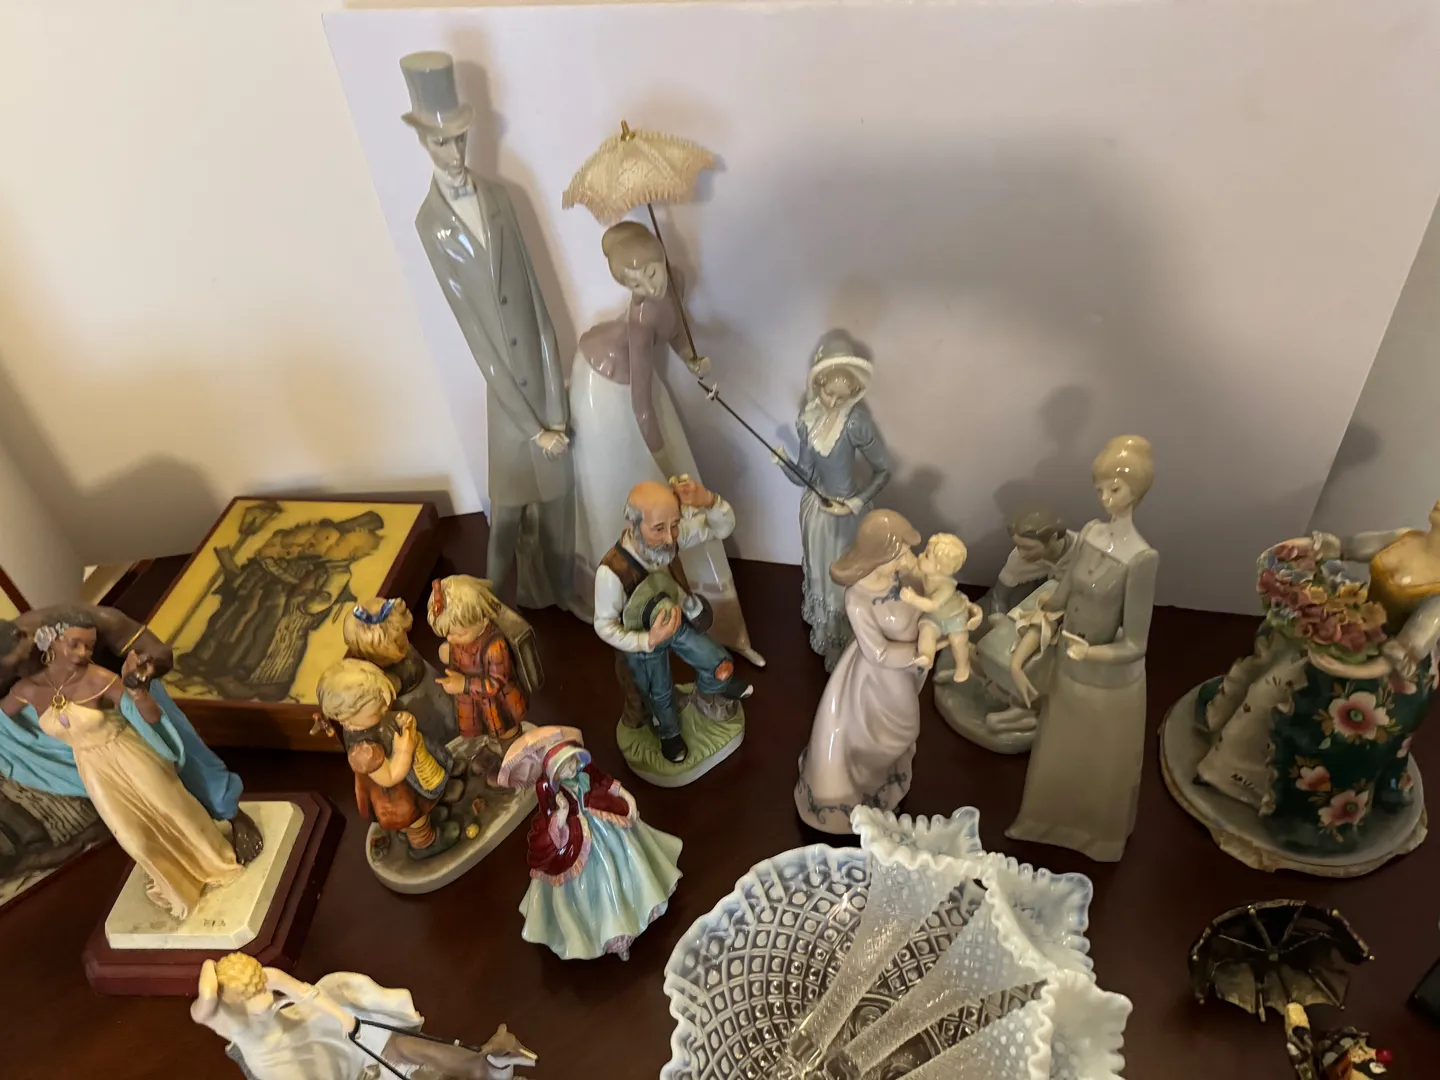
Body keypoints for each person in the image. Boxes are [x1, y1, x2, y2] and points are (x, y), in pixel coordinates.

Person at [404, 51, 573, 612]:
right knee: (507, 511)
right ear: (422, 142)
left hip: (542, 386)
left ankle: (555, 591)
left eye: (459, 139)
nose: (454, 153)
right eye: (440, 142)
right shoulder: (430, 225)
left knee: (557, 499)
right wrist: (531, 428)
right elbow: (476, 335)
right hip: (506, 398)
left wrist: (556, 405)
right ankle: (493, 604)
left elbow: (538, 303)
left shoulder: (500, 197)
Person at [570, 220, 763, 665]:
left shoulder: (675, 278)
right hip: (606, 386)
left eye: (651, 272)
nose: (648, 286)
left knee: (676, 500)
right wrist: (663, 459)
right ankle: (636, 616)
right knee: (639, 483)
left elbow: (675, 326)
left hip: (632, 381)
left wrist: (692, 357)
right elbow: (642, 406)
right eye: (634, 284)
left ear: (662, 256)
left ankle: (719, 624)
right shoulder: (639, 318)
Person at [0, 616, 242, 917]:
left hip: (129, 754)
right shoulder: (27, 690)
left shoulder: (100, 679)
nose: (83, 653)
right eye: (75, 644)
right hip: (93, 770)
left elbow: (148, 716)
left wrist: (139, 692)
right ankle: (179, 886)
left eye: (88, 646)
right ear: (53, 642)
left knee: (174, 810)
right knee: (132, 836)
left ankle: (217, 862)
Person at [1006, 435, 1159, 862]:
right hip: (1068, 672)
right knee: (1055, 757)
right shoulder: (1090, 533)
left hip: (1107, 687)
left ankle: (1096, 839)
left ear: (1137, 491)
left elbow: (1136, 643)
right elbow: (1056, 602)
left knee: (1096, 767)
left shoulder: (1142, 559)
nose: (1106, 498)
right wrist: (1020, 658)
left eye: (1116, 489)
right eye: (1100, 489)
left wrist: (1090, 653)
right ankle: (1041, 825)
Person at [593, 478, 753, 765]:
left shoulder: (670, 540)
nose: (670, 538)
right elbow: (603, 626)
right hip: (644, 641)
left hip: (675, 621)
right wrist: (648, 639)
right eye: (658, 529)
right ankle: (669, 734)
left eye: (675, 525)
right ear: (633, 525)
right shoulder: (612, 572)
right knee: (660, 693)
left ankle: (714, 687)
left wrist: (709, 501)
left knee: (718, 661)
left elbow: (721, 528)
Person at [795, 510, 931, 833]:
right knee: (894, 731)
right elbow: (878, 651)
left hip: (903, 673)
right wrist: (920, 652)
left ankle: (878, 778)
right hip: (879, 678)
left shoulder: (903, 576)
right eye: (900, 553)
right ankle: (863, 782)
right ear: (880, 555)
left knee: (903, 731)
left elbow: (930, 601)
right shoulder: (858, 598)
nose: (907, 558)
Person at [192, 952, 533, 1080]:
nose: (264, 996)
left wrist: (342, 1017)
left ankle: (486, 1065)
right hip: (279, 1064)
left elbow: (307, 993)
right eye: (252, 998)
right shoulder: (218, 1013)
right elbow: (205, 987)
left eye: (262, 991)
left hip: (305, 1031)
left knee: (391, 1044)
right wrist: (215, 976)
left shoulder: (264, 977)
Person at [500, 730, 681, 961]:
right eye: (565, 767)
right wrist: (562, 814)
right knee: (599, 880)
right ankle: (613, 932)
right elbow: (549, 818)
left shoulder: (584, 771)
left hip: (603, 820)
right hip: (575, 838)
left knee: (627, 857)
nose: (572, 769)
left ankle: (644, 902)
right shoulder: (549, 790)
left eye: (573, 762)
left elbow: (604, 781)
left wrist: (627, 796)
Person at [775, 330, 892, 670]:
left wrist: (854, 503)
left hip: (848, 517)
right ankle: (824, 629)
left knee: (845, 576)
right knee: (822, 573)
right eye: (828, 392)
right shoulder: (809, 419)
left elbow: (884, 470)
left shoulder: (855, 423)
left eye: (841, 396)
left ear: (853, 392)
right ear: (819, 383)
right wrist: (784, 462)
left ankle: (845, 638)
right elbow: (805, 475)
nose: (832, 401)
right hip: (817, 514)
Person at [315, 659, 460, 859]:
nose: (385, 710)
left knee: (422, 804)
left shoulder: (369, 721)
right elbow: (389, 776)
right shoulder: (363, 751)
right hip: (396, 792)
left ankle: (425, 818)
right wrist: (403, 751)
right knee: (414, 815)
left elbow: (386, 720)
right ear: (346, 718)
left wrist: (401, 719)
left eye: (385, 705)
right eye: (378, 710)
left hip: (410, 777)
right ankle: (424, 841)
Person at [427, 576, 532, 744]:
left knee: (506, 732)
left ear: (483, 619)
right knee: (485, 729)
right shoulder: (464, 638)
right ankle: (494, 745)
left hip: (499, 704)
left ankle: (514, 747)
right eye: (448, 634)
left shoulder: (494, 646)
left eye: (459, 634)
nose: (451, 639)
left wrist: (464, 684)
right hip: (476, 704)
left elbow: (495, 683)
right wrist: (450, 653)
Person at [342, 597, 458, 750]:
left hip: (430, 683)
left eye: (402, 635)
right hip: (416, 706)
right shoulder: (379, 678)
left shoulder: (406, 649)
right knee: (439, 734)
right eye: (397, 642)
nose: (403, 642)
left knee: (452, 712)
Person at [900, 533, 983, 682]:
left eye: (926, 555)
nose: (921, 555)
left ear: (938, 567)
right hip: (934, 618)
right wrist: (904, 550)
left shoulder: (946, 586)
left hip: (954, 617)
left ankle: (963, 666)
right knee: (926, 632)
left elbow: (932, 604)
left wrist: (913, 599)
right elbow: (912, 564)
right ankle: (927, 657)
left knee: (958, 642)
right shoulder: (925, 572)